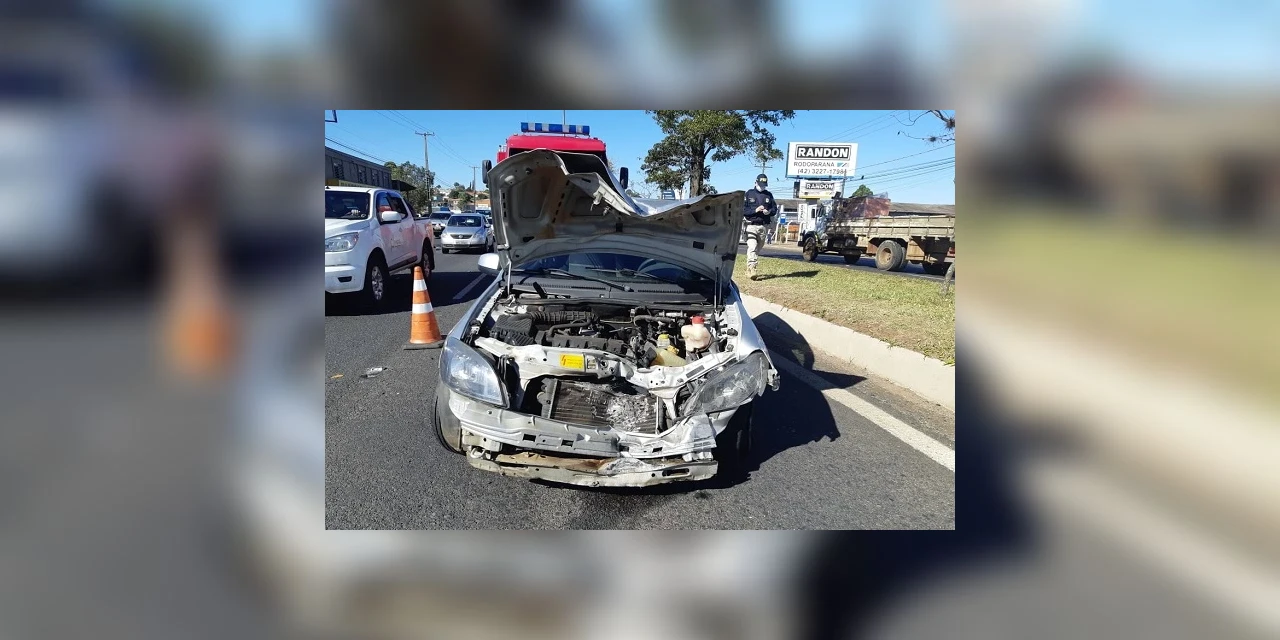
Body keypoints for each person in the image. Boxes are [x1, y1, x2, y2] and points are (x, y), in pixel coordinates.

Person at [743, 173, 778, 280]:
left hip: (763, 227)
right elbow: (743, 210)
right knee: (752, 246)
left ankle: (749, 267)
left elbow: (774, 209)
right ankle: (752, 267)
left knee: (758, 248)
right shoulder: (749, 194)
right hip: (750, 225)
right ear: (755, 182)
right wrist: (755, 210)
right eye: (760, 184)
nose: (762, 187)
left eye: (764, 185)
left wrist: (769, 212)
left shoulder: (769, 195)